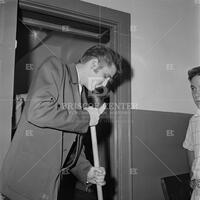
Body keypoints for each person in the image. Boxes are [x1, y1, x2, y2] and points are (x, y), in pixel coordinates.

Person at [0, 45, 121, 200]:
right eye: (105, 77)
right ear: (94, 64)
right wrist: (86, 117)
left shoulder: (82, 96)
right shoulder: (55, 68)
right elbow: (38, 111)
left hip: (49, 188)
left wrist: (87, 171)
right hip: (23, 183)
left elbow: (68, 147)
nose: (105, 85)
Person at [183, 66, 200, 200]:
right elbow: (189, 148)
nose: (196, 94)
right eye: (193, 89)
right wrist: (192, 175)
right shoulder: (193, 121)